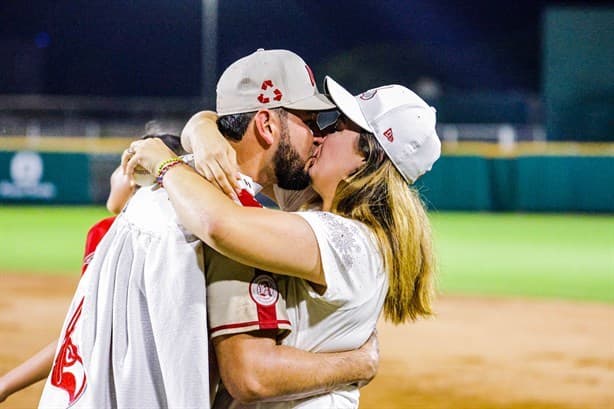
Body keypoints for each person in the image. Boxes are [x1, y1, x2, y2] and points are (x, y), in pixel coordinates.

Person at [38, 50, 378, 409]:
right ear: (266, 125)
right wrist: (357, 363)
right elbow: (251, 376)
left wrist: (200, 127)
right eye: (309, 121)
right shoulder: (237, 225)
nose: (317, 136)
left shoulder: (155, 188)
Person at [124, 76, 441, 407]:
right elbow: (243, 153)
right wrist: (203, 131)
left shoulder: (354, 243)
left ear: (366, 160)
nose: (320, 135)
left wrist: (165, 164)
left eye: (338, 127)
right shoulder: (313, 202)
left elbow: (219, 222)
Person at [0, 134, 184, 405]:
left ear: (137, 178)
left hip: (101, 393)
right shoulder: (185, 235)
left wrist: (5, 385)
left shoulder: (105, 233)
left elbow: (82, 332)